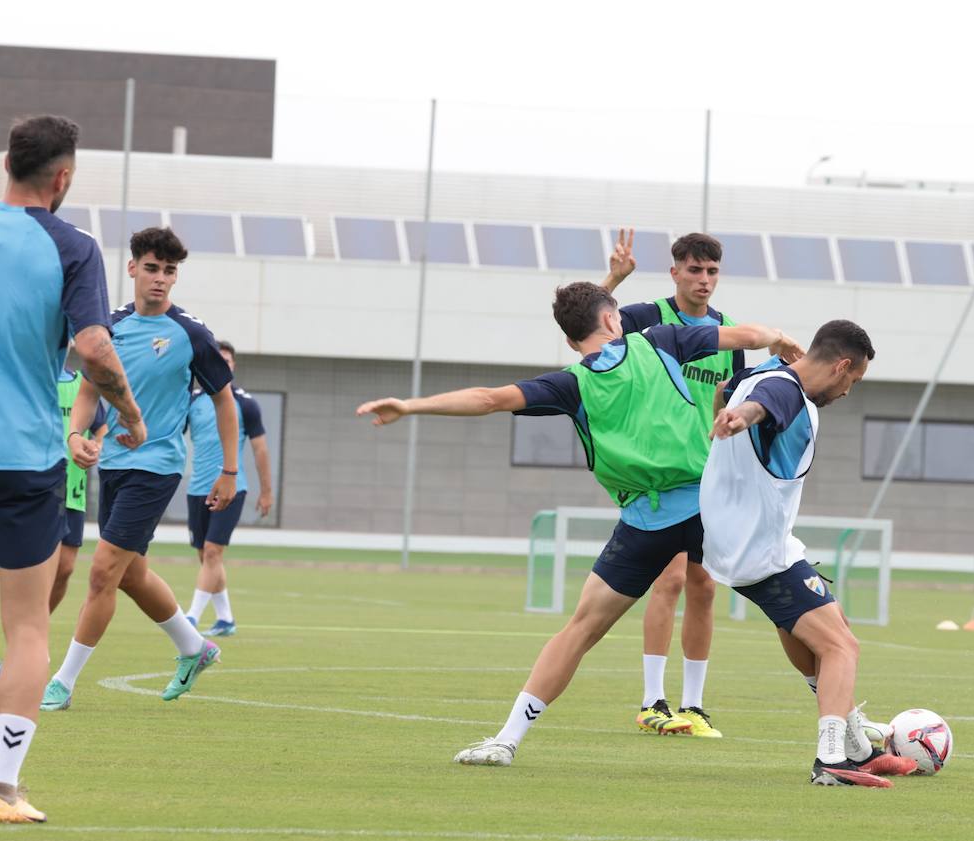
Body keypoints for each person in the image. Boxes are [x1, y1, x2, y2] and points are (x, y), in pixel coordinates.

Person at [357, 281, 801, 767]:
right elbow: (744, 336)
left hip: (644, 523)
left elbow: (487, 399)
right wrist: (777, 337)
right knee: (792, 603)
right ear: (613, 319)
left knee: (580, 629)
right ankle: (842, 723)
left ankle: (507, 739)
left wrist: (409, 406)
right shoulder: (662, 340)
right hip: (709, 507)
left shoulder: (570, 384)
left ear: (571, 341)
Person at [0, 115, 143, 823]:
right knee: (25, 626)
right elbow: (94, 350)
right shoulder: (71, 245)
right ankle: (2, 790)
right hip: (21, 457)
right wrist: (131, 417)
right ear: (63, 178)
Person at [700, 319, 914, 787]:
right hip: (757, 550)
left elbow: (731, 386)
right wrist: (744, 416)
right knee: (842, 647)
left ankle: (856, 746)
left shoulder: (767, 372)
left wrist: (729, 407)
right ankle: (832, 758)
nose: (847, 392)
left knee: (829, 633)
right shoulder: (786, 391)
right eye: (852, 381)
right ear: (841, 366)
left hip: (748, 542)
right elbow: (768, 403)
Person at [43, 226, 240, 713]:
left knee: (103, 572)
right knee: (131, 576)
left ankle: (62, 684)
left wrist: (229, 472)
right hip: (113, 464)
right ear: (132, 268)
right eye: (152, 268)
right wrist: (76, 436)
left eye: (169, 271)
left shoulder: (191, 334)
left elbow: (224, 401)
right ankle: (195, 648)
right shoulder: (110, 327)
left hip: (158, 467)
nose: (160, 279)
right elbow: (90, 390)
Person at [600, 229, 742, 737]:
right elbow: (593, 335)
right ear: (676, 271)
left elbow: (728, 402)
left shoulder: (727, 332)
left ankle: (694, 704)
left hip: (710, 478)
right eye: (695, 270)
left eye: (712, 272)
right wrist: (614, 277)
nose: (704, 280)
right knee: (672, 578)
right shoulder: (646, 318)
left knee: (704, 586)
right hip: (663, 477)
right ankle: (652, 700)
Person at [185, 340, 274, 636]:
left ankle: (191, 618)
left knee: (212, 553)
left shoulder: (245, 404)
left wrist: (266, 491)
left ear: (233, 366)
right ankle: (226, 619)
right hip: (197, 489)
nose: (223, 365)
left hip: (231, 488)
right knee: (206, 556)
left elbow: (260, 450)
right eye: (218, 360)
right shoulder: (192, 400)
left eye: (228, 361)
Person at [50, 369, 108, 612]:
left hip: (74, 485)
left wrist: (97, 446)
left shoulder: (82, 384)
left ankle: (37, 624)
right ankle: (30, 633)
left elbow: (101, 428)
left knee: (65, 569)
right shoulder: (36, 376)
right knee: (40, 565)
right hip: (42, 483)